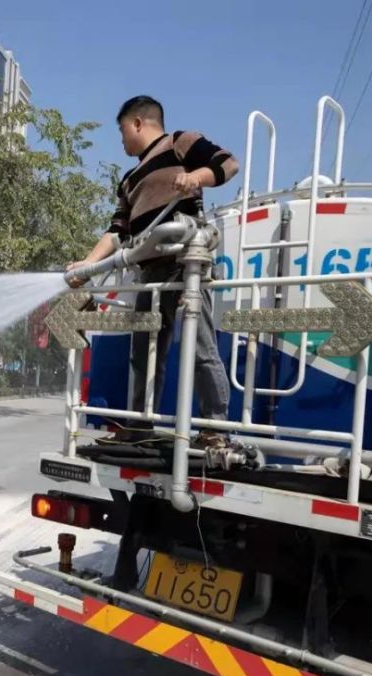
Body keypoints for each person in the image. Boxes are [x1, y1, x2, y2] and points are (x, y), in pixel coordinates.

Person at [67, 96, 238, 446]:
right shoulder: (129, 180)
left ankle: (215, 430)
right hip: (148, 272)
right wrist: (87, 264)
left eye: (121, 132)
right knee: (144, 352)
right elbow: (117, 232)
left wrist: (195, 178)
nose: (121, 141)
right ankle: (139, 425)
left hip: (186, 264)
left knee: (201, 347)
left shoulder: (180, 142)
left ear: (137, 123)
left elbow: (228, 164)